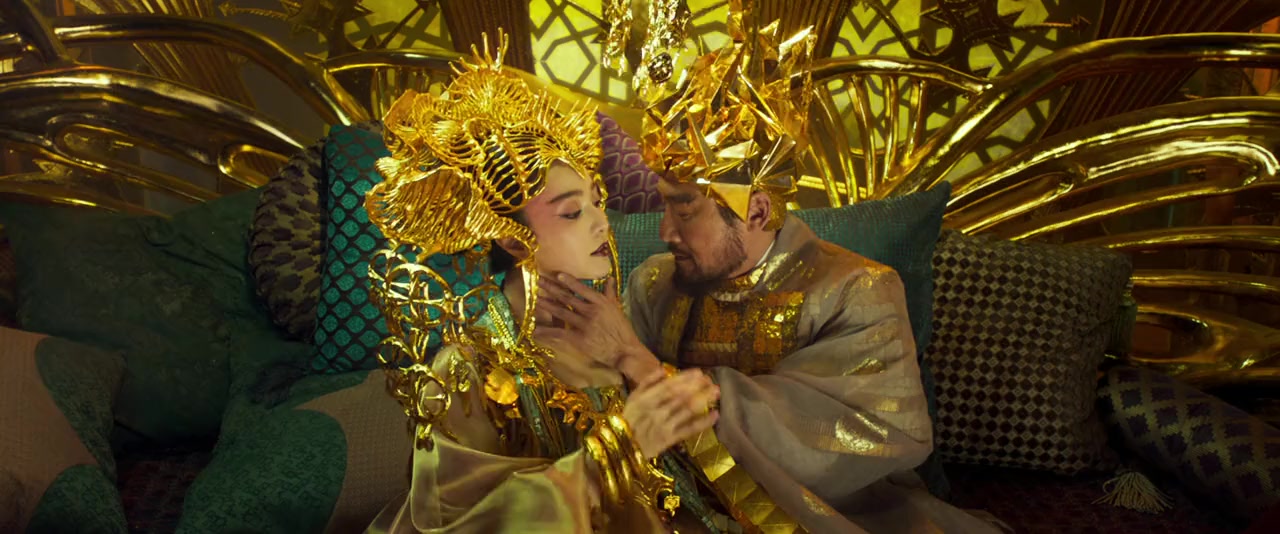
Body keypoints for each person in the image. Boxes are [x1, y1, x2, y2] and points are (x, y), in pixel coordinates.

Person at [534, 11, 1004, 534]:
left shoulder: (857, 291)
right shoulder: (653, 284)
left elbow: (858, 442)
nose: (665, 231)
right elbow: (608, 406)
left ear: (756, 212)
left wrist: (642, 366)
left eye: (685, 209)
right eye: (664, 205)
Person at [364, 34, 758, 533]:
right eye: (573, 212)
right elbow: (468, 523)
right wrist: (617, 449)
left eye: (596, 200)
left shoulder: (610, 322)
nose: (602, 222)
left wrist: (639, 365)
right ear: (511, 238)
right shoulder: (469, 371)